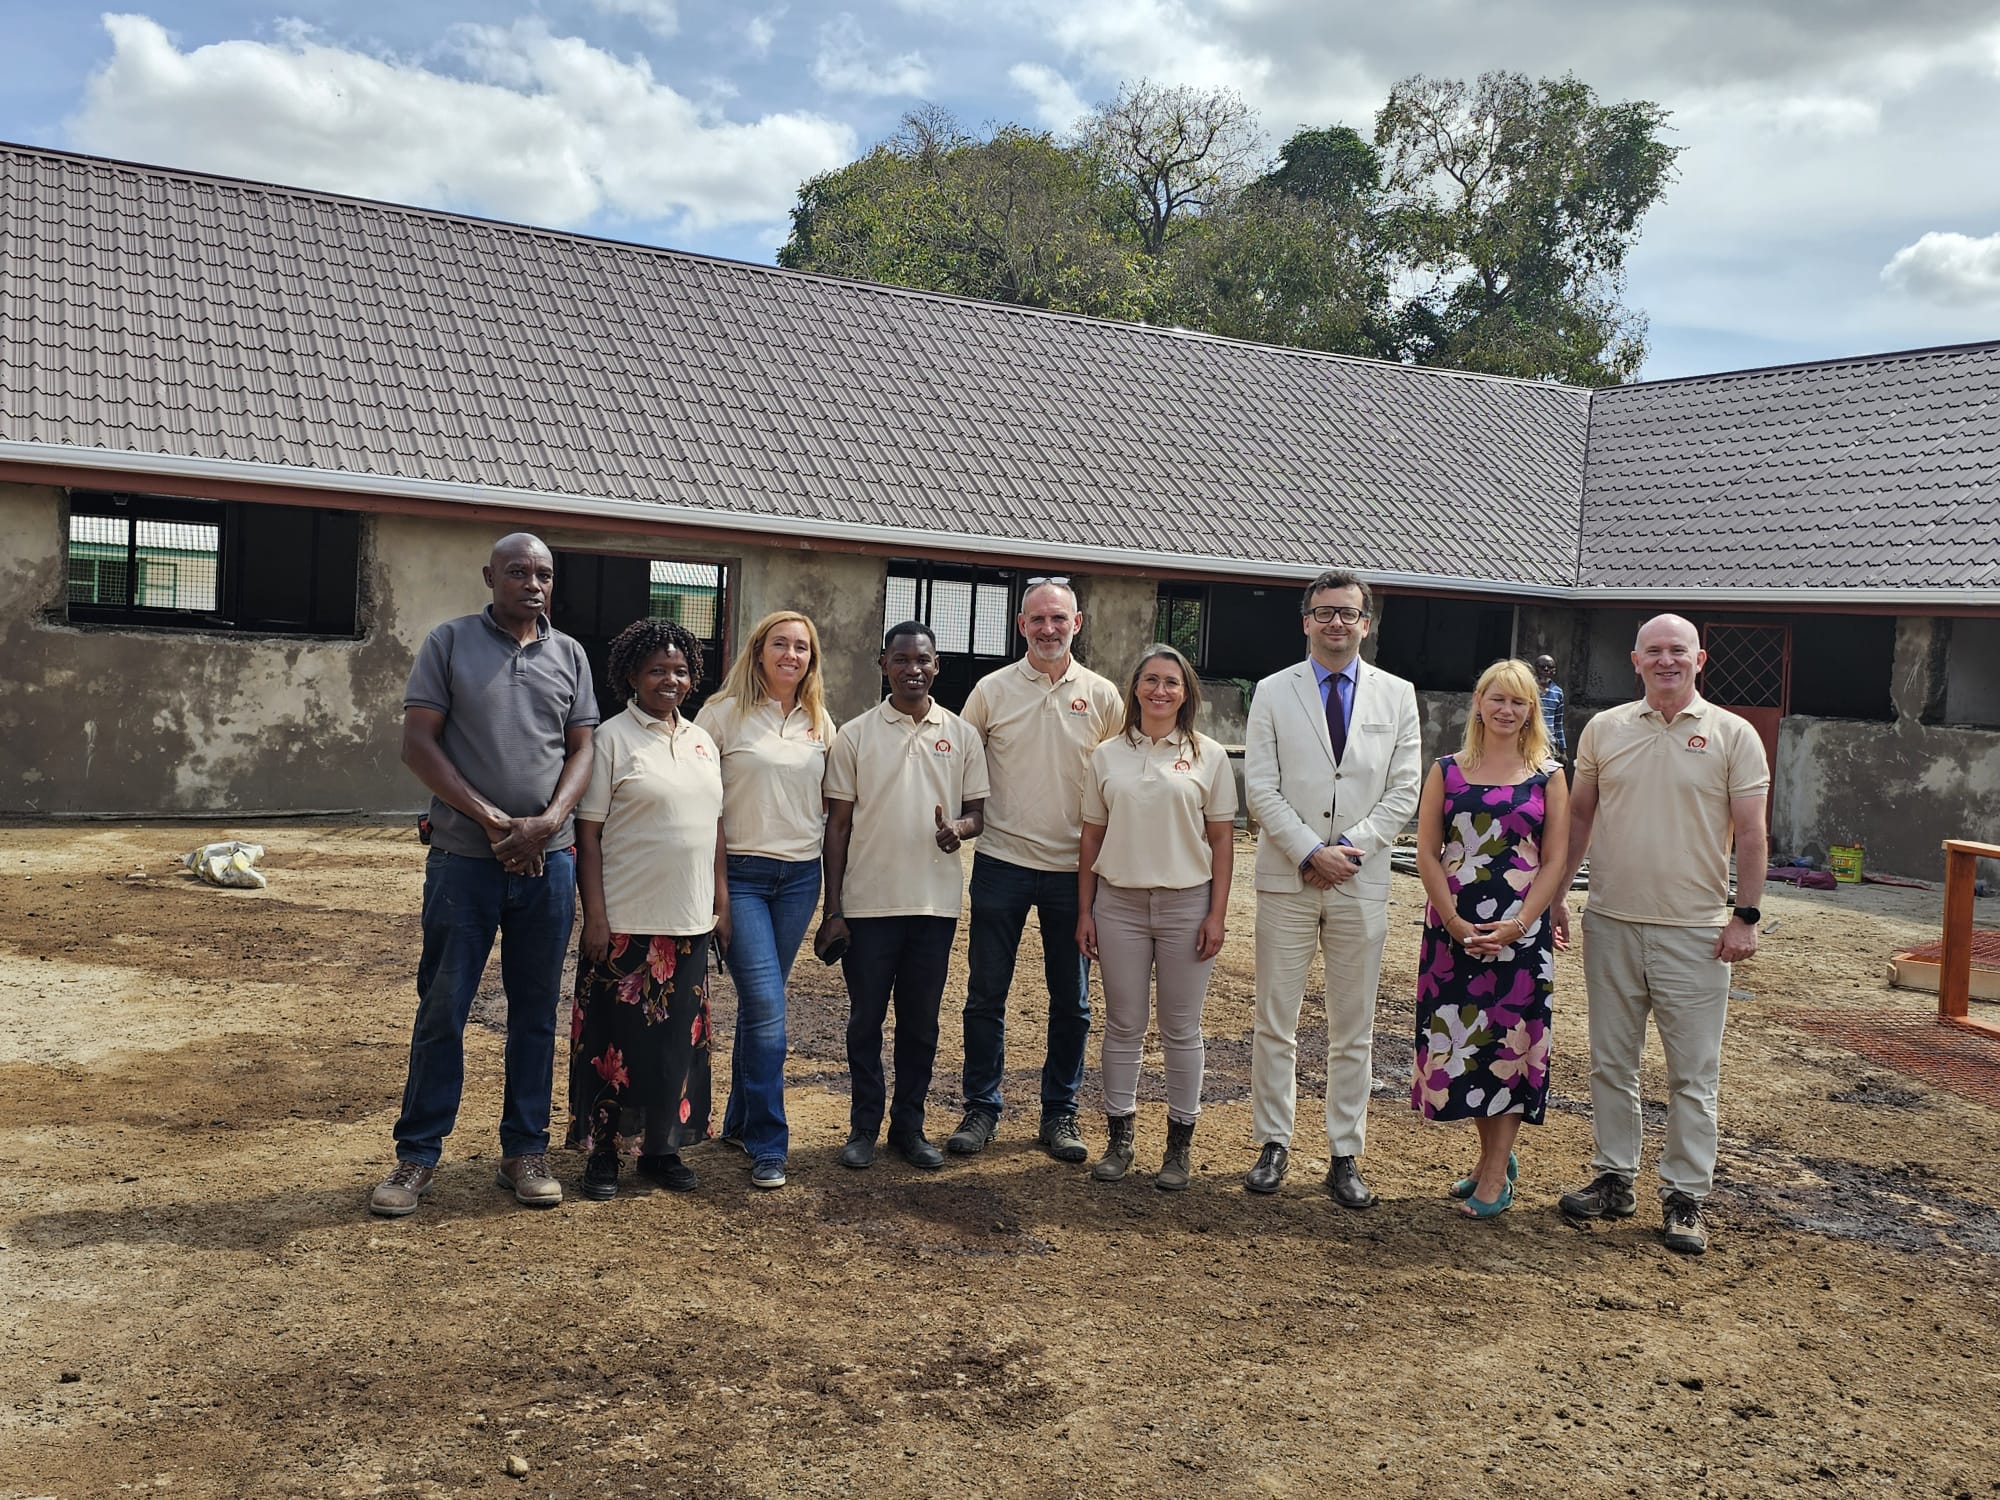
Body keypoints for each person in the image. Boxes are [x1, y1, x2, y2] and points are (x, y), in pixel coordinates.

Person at [371, 533, 597, 1217]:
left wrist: (547, 823)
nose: (533, 584)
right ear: (490, 576)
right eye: (518, 572)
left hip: (548, 865)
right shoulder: (449, 644)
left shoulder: (570, 654)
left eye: (544, 574)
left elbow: (584, 749)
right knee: (444, 1007)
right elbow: (418, 744)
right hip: (464, 862)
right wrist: (496, 822)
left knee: (535, 1012)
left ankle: (525, 1151)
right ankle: (417, 1156)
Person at [1551, 614, 1767, 1254]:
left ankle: (1685, 1196)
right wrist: (1558, 894)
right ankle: (1614, 1178)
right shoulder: (1605, 729)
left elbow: (1752, 833)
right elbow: (1580, 818)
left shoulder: (1733, 735)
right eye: (1654, 651)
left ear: (1699, 660)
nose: (1666, 660)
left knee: (1692, 1074)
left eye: (1678, 650)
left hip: (1695, 931)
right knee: (1610, 1061)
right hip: (1611, 920)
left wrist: (1746, 915)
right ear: (1635, 660)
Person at [1242, 568, 1421, 1207]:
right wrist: (1309, 851)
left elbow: (1405, 789)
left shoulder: (1397, 694)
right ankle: (1273, 1141)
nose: (1336, 622)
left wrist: (1349, 849)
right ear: (1306, 621)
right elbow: (1260, 786)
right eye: (1325, 612)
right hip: (1288, 878)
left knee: (1354, 1026)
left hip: (1360, 880)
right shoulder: (1272, 691)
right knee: (1275, 1020)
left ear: (1365, 624)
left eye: (1348, 612)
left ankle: (1345, 1152)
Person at [949, 578, 1123, 1164]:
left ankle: (1060, 1112)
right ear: (1021, 625)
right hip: (1001, 861)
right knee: (985, 995)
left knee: (1072, 1001)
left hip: (1074, 871)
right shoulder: (991, 691)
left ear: (1078, 623)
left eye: (1059, 619)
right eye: (1038, 619)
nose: (1049, 629)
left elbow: (1120, 780)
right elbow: (961, 764)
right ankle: (981, 1107)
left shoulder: (1103, 697)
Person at [818, 622, 989, 1170]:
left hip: (934, 906)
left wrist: (958, 829)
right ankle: (864, 1127)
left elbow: (977, 814)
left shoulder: (961, 734)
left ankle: (909, 1128)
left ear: (937, 666)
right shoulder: (855, 735)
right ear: (883, 665)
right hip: (868, 906)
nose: (913, 668)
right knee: (865, 1021)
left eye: (923, 660)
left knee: (920, 1024)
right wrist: (834, 908)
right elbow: (837, 826)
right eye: (901, 659)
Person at [568, 618, 728, 1201]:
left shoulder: (703, 741)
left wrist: (721, 904)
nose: (670, 680)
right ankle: (605, 1154)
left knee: (674, 1045)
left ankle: (661, 1150)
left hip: (690, 922)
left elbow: (715, 828)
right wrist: (597, 917)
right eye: (657, 670)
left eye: (680, 671)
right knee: (616, 1045)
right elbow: (588, 836)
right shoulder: (611, 740)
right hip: (627, 923)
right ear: (632, 675)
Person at [1410, 658, 1571, 1217]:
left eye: (1518, 701)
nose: (1506, 709)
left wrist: (1520, 925)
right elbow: (1426, 851)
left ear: (1532, 710)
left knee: (1509, 1047)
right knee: (1471, 1047)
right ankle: (1491, 1160)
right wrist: (1454, 922)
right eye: (1497, 698)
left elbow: (1555, 860)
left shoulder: (1549, 775)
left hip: (1520, 934)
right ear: (1478, 703)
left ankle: (1496, 1175)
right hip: (1452, 930)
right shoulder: (1447, 770)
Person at [1076, 644, 1236, 1190]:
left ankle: (1178, 1146)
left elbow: (1222, 840)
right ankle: (1119, 1138)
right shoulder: (1106, 755)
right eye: (1150, 680)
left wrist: (1217, 913)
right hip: (1118, 905)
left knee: (1181, 1028)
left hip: (1187, 905)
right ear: (1135, 688)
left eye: (1171, 682)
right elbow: (1091, 838)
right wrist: (1085, 911)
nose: (1159, 690)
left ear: (1186, 692)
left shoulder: (1209, 755)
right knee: (1123, 1024)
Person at [697, 612, 834, 1191]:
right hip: (742, 878)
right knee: (769, 1007)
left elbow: (832, 805)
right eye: (780, 644)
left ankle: (738, 1122)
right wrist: (718, 893)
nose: (790, 655)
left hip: (800, 879)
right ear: (758, 651)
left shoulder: (821, 721)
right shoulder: (722, 715)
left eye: (801, 647)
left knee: (761, 1006)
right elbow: (702, 805)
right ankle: (769, 1142)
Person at [1535, 654, 1569, 766]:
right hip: (1528, 742)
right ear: (1535, 669)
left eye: (1549, 667)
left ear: (1554, 671)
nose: (1546, 669)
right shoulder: (1527, 689)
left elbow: (1558, 724)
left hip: (1549, 745)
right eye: (1542, 667)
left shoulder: (1558, 692)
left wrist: (1562, 751)